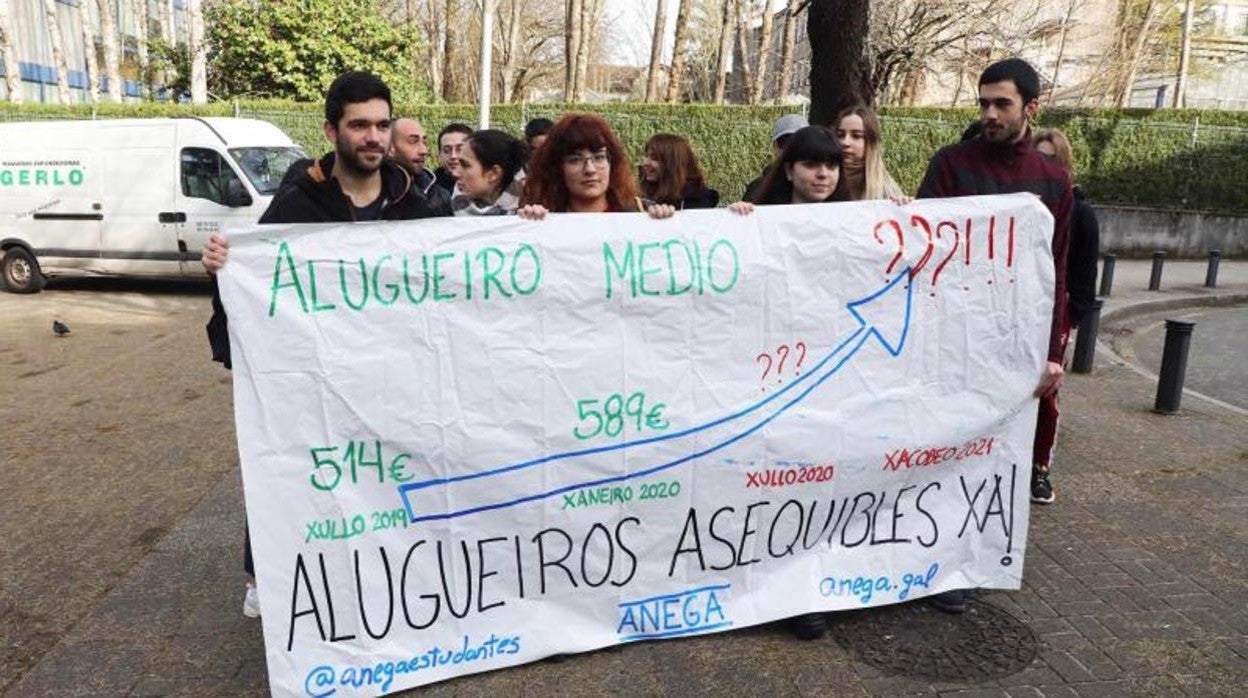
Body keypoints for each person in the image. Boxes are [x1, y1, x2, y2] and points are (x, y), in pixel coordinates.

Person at [200, 71, 445, 618]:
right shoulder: (296, 204)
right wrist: (223, 267)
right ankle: (272, 570)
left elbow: (461, 274)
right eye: (360, 125)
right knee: (301, 464)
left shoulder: (417, 203)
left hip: (397, 375)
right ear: (332, 130)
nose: (374, 137)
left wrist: (532, 230)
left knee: (393, 469)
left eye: (382, 125)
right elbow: (259, 280)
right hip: (320, 378)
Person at [917, 57, 1073, 615]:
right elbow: (922, 245)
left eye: (1000, 103)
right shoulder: (951, 164)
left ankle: (965, 565)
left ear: (1031, 107)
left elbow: (1056, 271)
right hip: (953, 340)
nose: (988, 113)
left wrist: (1054, 353)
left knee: (992, 458)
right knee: (944, 447)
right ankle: (929, 558)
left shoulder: (1053, 181)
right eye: (982, 102)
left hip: (1014, 347)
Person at [1031, 127, 1099, 503]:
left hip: (1057, 314)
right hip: (1020, 311)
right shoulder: (1022, 206)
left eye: (1051, 160)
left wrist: (1070, 319)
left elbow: (1084, 275)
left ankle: (1040, 468)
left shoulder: (1080, 214)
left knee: (1047, 394)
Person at [517, 113, 674, 219]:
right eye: (575, 160)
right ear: (557, 168)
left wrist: (664, 227)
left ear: (612, 163)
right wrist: (529, 228)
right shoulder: (544, 219)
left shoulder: (641, 214)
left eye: (599, 158)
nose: (590, 169)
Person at [834, 105, 904, 201]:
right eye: (840, 135)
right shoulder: (822, 180)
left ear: (871, 142)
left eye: (856, 136)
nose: (845, 142)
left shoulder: (887, 191)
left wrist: (903, 207)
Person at [450, 129, 528, 216]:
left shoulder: (530, 215)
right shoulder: (442, 208)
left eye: (465, 165)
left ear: (494, 174)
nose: (455, 173)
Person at [639, 133, 720, 209]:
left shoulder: (698, 204)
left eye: (655, 158)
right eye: (646, 156)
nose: (645, 163)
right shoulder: (640, 196)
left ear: (673, 164)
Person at [390, 117, 452, 215]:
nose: (424, 151)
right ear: (389, 148)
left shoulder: (441, 197)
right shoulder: (372, 198)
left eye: (424, 142)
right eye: (413, 141)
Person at [742, 113, 808, 201]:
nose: (792, 149)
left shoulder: (819, 185)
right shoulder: (758, 188)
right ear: (775, 146)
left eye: (800, 142)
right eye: (785, 142)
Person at [434, 122, 473, 195]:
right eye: (446, 151)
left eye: (459, 149)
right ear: (439, 155)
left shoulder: (487, 185)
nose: (453, 156)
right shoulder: (428, 187)